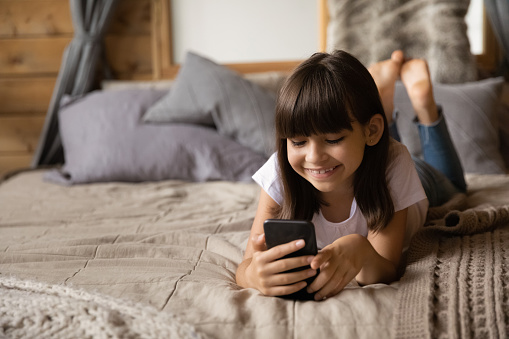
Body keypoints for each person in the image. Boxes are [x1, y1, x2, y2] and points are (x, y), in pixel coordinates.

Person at [235, 50, 467, 301]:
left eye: (333, 139)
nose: (313, 157)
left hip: (415, 177)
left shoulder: (396, 161)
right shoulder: (281, 170)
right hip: (366, 153)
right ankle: (383, 103)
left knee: (455, 187)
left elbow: (384, 269)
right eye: (298, 142)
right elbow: (245, 266)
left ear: (371, 130)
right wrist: (253, 275)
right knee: (370, 148)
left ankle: (425, 107)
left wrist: (361, 250)